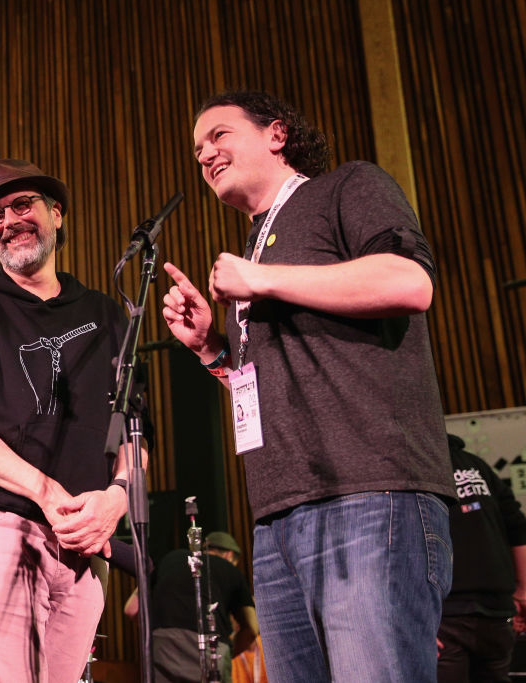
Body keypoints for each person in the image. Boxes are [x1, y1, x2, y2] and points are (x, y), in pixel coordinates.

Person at [160, 90, 455, 681]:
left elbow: (410, 282)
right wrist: (209, 348)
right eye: (197, 149)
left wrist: (260, 278)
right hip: (276, 522)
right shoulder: (256, 247)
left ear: (276, 134)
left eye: (219, 135)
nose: (205, 154)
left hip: (371, 496)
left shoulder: (345, 188)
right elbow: (260, 391)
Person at [0, 159, 143, 683]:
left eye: (23, 205)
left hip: (83, 539)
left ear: (56, 214)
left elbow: (136, 425)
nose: (9, 220)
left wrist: (116, 499)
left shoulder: (108, 315)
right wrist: (44, 491)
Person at [439, 433, 526, 682]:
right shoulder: (475, 465)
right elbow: (517, 527)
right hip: (495, 612)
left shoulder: (419, 467)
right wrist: (522, 592)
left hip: (447, 615)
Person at [124, 531, 259, 682]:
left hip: (163, 646)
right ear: (229, 555)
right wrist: (231, 650)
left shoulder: (170, 559)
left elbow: (131, 609)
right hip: (210, 648)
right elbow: (252, 627)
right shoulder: (231, 570)